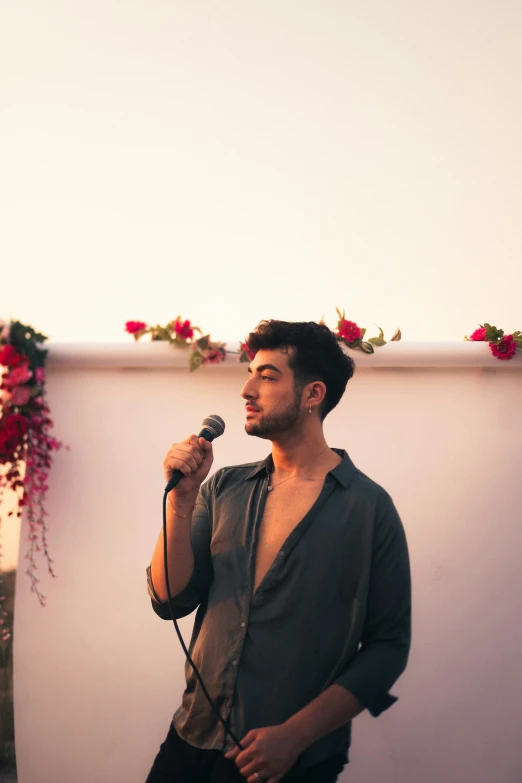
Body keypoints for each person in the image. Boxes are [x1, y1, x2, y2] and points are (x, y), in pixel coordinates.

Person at [145, 320, 412, 783]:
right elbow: (169, 600)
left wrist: (295, 735)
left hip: (290, 762)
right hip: (191, 739)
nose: (247, 389)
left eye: (267, 376)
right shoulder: (223, 487)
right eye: (250, 373)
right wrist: (181, 503)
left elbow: (388, 647)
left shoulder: (368, 508)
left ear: (313, 394)